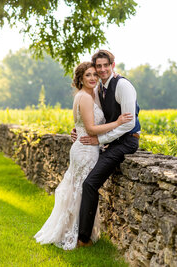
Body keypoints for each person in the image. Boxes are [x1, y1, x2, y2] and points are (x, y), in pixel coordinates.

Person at [34, 62, 133, 250]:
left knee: (78, 189)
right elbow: (90, 129)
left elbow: (81, 126)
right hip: (85, 150)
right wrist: (118, 122)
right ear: (80, 78)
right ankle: (77, 234)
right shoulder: (85, 97)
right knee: (80, 190)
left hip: (85, 146)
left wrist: (78, 132)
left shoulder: (91, 94)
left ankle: (75, 231)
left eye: (95, 74)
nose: (93, 78)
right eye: (88, 75)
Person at [75, 50, 141, 248]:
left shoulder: (123, 85)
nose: (102, 70)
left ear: (113, 64)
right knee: (87, 183)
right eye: (99, 66)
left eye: (106, 65)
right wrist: (77, 130)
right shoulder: (100, 88)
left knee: (90, 183)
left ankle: (84, 239)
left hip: (126, 142)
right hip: (112, 141)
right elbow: (93, 117)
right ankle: (81, 234)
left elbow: (129, 124)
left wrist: (100, 140)